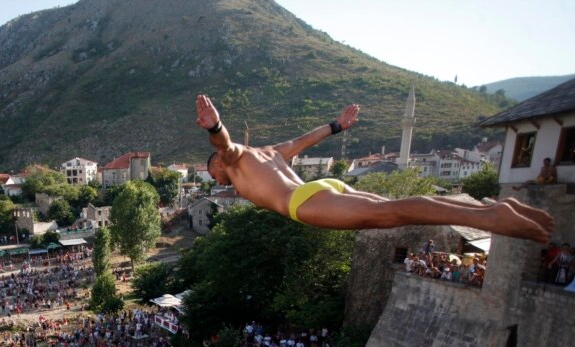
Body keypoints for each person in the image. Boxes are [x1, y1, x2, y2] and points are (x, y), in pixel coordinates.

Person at [196, 94, 554, 244]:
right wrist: (336, 126)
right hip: (323, 186)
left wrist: (215, 127)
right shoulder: (268, 152)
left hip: (302, 202)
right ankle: (489, 208)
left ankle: (488, 219)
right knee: (392, 206)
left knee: (392, 213)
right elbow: (304, 141)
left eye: (214, 174)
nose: (216, 179)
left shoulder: (233, 161)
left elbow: (224, 145)